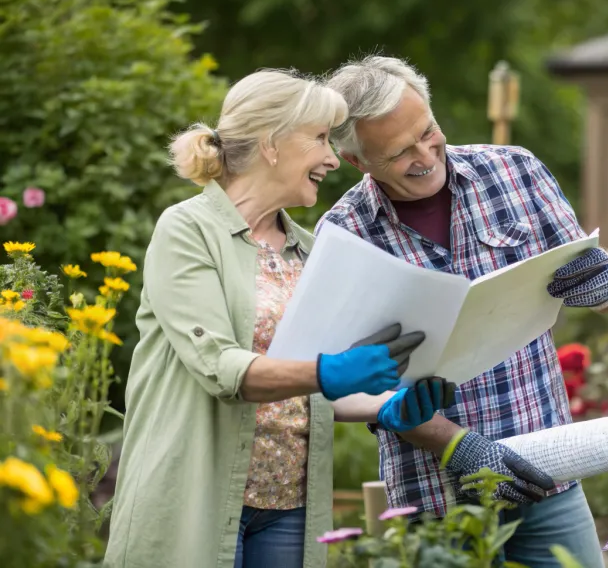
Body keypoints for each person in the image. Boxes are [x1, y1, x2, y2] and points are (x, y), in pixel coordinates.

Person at [103, 68, 457, 568]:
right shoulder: (187, 230)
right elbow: (220, 368)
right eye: (318, 139)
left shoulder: (310, 251)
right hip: (196, 493)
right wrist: (330, 371)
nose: (334, 159)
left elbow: (316, 389)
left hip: (289, 505)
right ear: (271, 143)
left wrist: (388, 406)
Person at [315, 55, 608, 568]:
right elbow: (352, 380)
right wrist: (456, 445)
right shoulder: (345, 237)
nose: (425, 155)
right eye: (400, 152)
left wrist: (606, 281)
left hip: (546, 474)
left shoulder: (514, 172)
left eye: (428, 132)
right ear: (358, 162)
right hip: (436, 500)